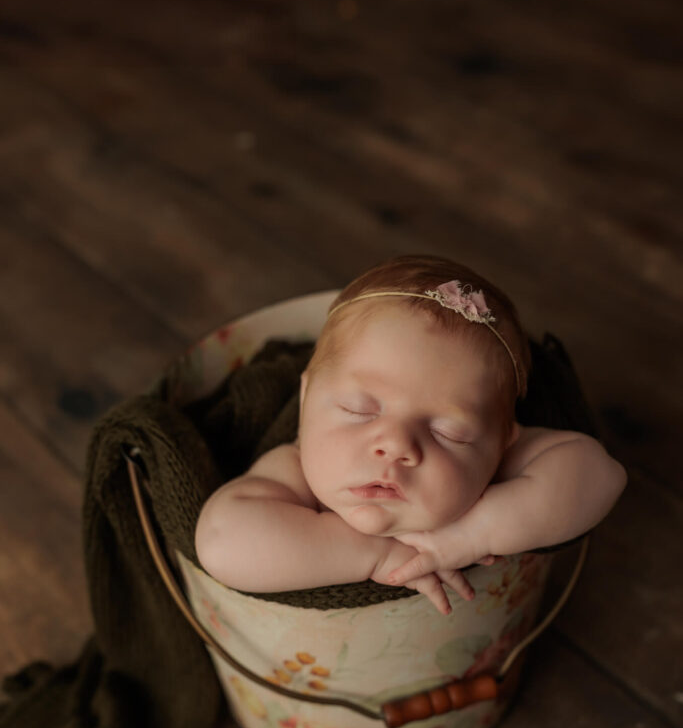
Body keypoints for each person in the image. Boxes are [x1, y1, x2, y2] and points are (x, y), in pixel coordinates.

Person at [195, 255, 627, 614]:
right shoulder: (294, 469)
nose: (397, 445)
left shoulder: (491, 464)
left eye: (447, 432)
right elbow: (222, 542)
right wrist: (376, 553)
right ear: (306, 398)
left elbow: (600, 474)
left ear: (502, 442)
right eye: (358, 410)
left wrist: (476, 533)